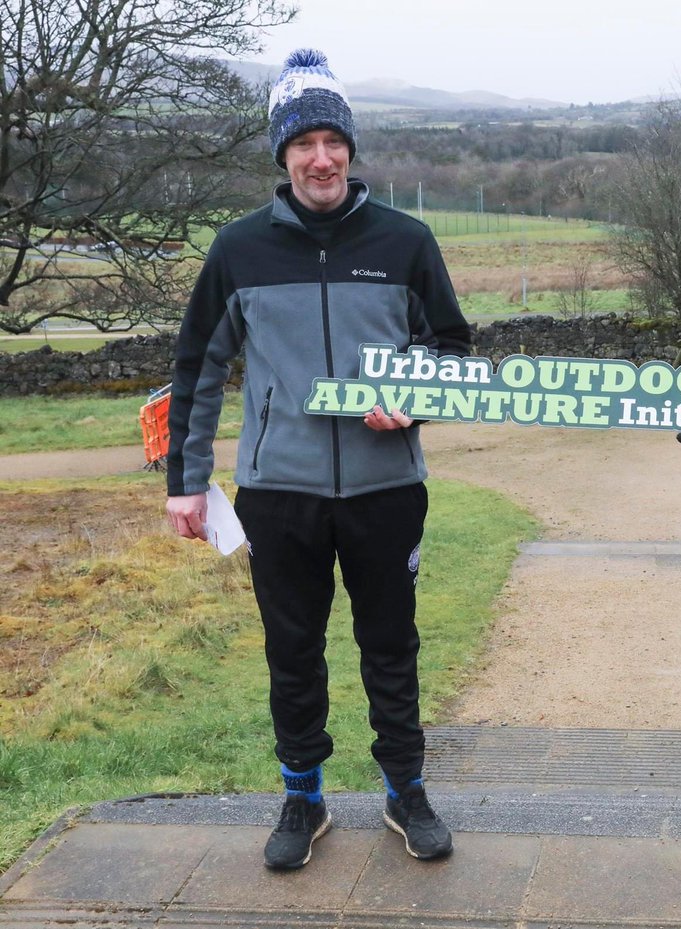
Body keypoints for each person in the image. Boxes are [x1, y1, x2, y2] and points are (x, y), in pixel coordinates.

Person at [166, 49, 471, 871]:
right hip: (278, 491)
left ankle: (406, 791)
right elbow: (196, 367)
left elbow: (451, 349)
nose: (322, 158)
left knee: (391, 646)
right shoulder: (239, 250)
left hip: (386, 486)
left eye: (334, 141)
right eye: (304, 143)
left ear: (351, 149)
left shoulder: (405, 241)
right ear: (283, 154)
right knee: (293, 651)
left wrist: (415, 395)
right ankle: (302, 796)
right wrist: (186, 483)